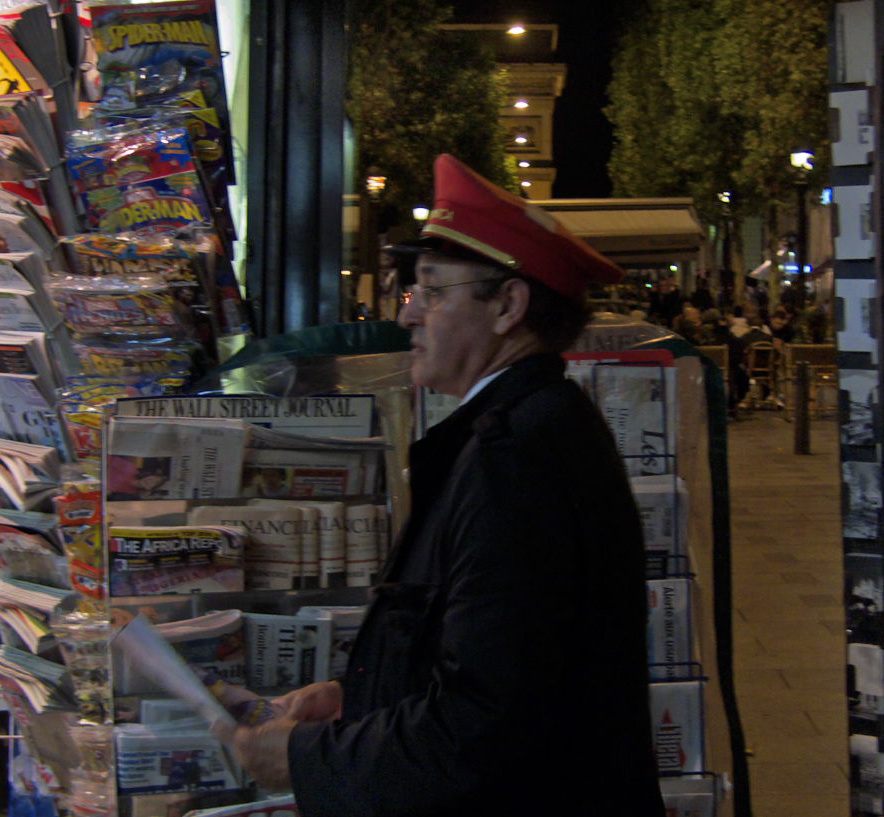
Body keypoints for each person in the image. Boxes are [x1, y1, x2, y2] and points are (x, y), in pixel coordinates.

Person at [223, 154, 664, 815]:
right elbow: (501, 662)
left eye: (431, 291)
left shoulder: (517, 453)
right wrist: (358, 700)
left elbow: (483, 719)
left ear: (508, 305)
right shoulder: (525, 425)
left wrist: (304, 757)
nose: (408, 315)